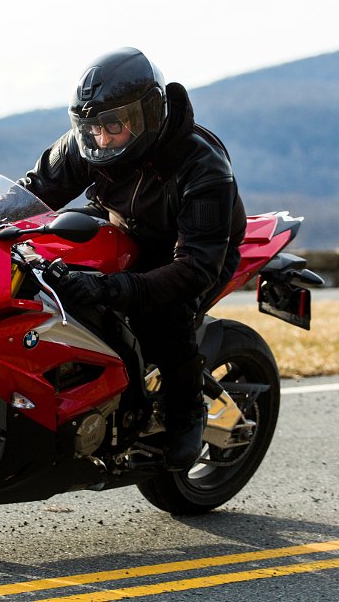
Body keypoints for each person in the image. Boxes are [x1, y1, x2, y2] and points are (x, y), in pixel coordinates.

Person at [20, 47, 247, 471]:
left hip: (191, 251)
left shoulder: (203, 167)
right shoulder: (87, 144)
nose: (101, 138)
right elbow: (32, 193)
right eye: (92, 127)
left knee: (162, 317)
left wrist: (109, 289)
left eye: (113, 125)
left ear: (147, 114)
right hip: (121, 226)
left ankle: (187, 411)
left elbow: (195, 269)